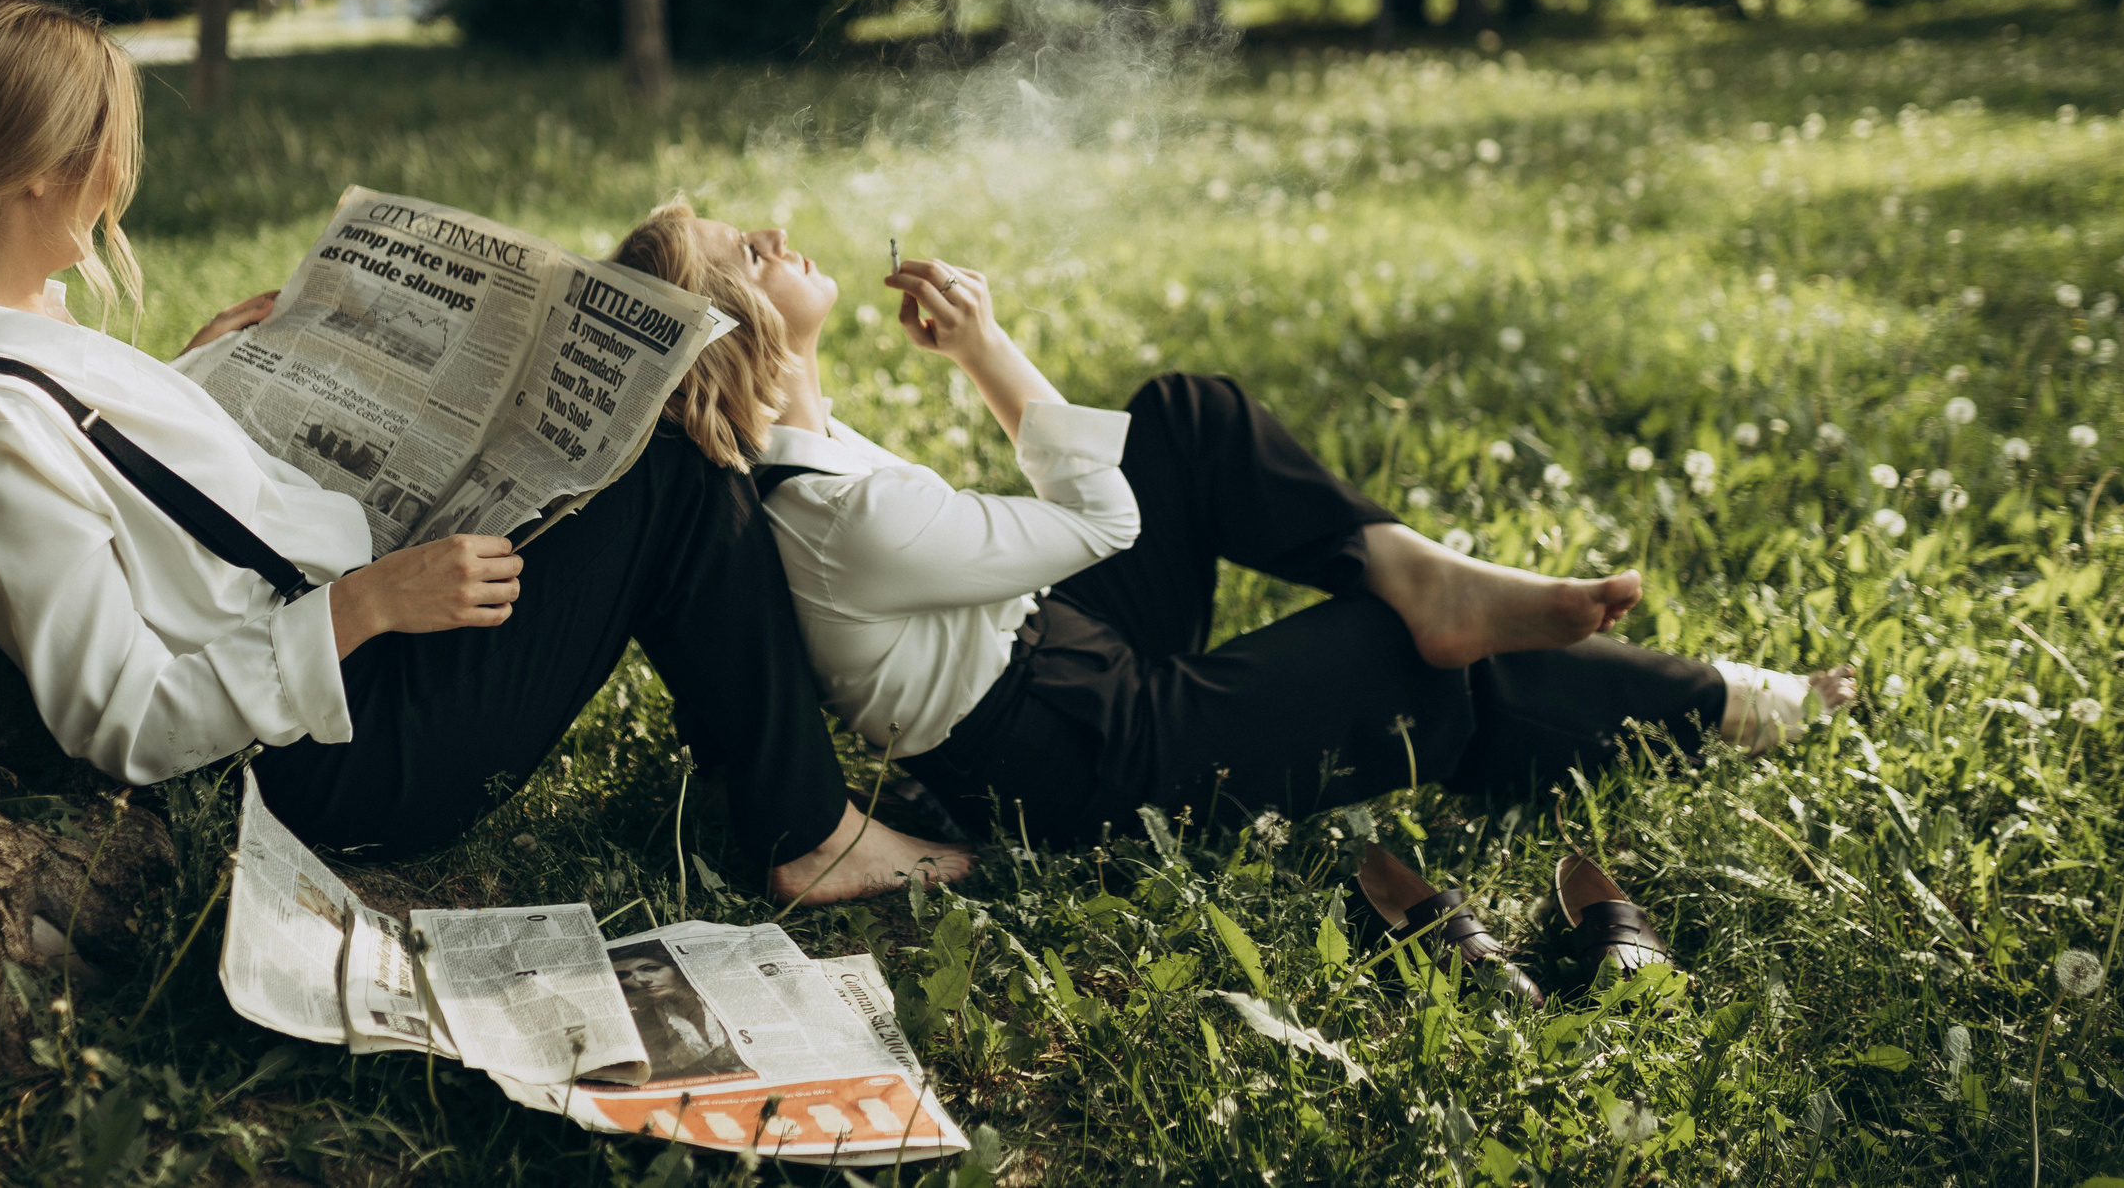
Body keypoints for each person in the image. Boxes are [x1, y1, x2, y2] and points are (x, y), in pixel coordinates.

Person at [0, 0, 966, 905]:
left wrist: (191, 376)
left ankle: (756, 769)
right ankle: (805, 830)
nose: (118, 180)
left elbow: (130, 495)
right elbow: (120, 718)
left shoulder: (8, 325)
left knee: (624, 450)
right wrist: (370, 603)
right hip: (335, 751)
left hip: (342, 650)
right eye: (107, 149)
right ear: (38, 172)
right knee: (671, 479)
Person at [612, 200, 1854, 997]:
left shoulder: (815, 459)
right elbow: (1101, 522)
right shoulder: (846, 516)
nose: (777, 229)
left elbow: (1084, 522)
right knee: (1402, 668)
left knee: (1186, 419)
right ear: (738, 330)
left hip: (1053, 659)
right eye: (748, 251)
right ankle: (1729, 704)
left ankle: (1416, 570)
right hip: (1079, 755)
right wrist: (987, 348)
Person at [608, 943, 752, 1083]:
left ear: (677, 968)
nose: (641, 979)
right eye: (624, 975)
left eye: (650, 968)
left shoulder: (727, 994)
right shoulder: (646, 1020)